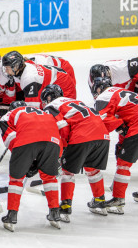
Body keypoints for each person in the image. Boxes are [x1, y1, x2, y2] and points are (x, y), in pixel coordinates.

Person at [92, 76, 138, 214]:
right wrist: (122, 134)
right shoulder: (119, 91)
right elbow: (125, 115)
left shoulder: (104, 96)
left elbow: (102, 121)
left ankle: (118, 199)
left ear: (99, 88)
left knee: (123, 163)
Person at [41, 84, 110, 222]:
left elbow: (62, 127)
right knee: (93, 169)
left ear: (48, 98)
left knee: (67, 171)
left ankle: (66, 206)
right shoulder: (76, 101)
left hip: (82, 136)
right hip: (103, 135)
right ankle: (100, 200)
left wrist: (64, 148)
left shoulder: (52, 106)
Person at [0, 101, 62, 232]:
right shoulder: (43, 112)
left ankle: (11, 216)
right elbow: (55, 132)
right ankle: (55, 213)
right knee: (50, 178)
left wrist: (26, 162)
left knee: (16, 179)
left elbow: (11, 139)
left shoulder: (9, 114)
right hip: (53, 141)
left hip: (27, 140)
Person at [2, 50, 76, 108]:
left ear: (16, 66)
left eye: (7, 68)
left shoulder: (29, 77)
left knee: (61, 113)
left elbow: (32, 108)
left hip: (63, 84)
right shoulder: (23, 69)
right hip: (56, 78)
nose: (6, 71)